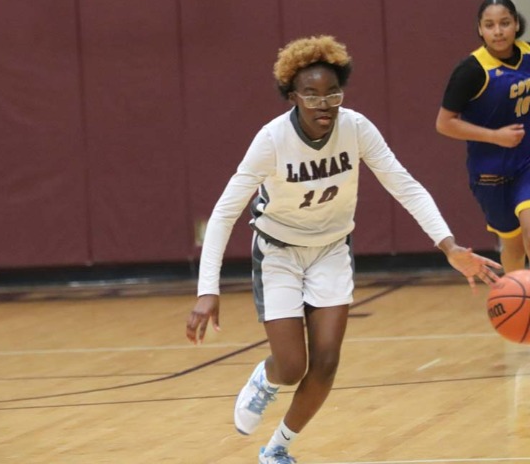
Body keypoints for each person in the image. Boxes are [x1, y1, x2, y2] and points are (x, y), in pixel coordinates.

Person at [185, 34, 501, 464]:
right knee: (291, 366)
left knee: (327, 361)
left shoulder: (356, 128)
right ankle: (266, 378)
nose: (324, 104)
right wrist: (208, 290)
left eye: (332, 93)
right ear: (293, 97)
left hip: (331, 250)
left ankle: (277, 448)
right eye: (311, 95)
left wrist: (448, 246)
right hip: (278, 252)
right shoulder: (272, 140)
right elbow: (224, 214)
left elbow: (404, 185)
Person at [436, 0, 530, 273]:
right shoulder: (471, 70)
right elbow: (444, 123)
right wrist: (495, 136)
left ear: (516, 24)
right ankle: (517, 297)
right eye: (490, 25)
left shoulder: (528, 55)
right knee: (513, 246)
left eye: (504, 23)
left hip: (526, 162)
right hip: (490, 171)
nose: (498, 31)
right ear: (480, 29)